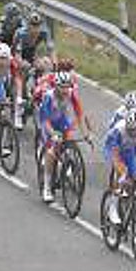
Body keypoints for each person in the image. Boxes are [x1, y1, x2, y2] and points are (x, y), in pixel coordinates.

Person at [101, 107, 136, 227]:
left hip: (129, 149)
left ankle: (128, 200)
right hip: (113, 149)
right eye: (131, 130)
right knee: (123, 174)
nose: (133, 132)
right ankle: (112, 208)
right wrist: (122, 174)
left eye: (135, 130)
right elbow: (116, 157)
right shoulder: (118, 130)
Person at [38, 71, 79, 204]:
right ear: (56, 86)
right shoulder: (49, 97)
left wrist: (85, 131)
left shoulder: (71, 93)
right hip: (48, 122)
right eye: (62, 87)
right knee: (51, 152)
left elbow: (80, 112)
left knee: (70, 141)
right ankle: (47, 186)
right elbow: (45, 120)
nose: (65, 90)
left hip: (61, 120)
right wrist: (53, 133)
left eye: (68, 86)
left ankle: (66, 162)